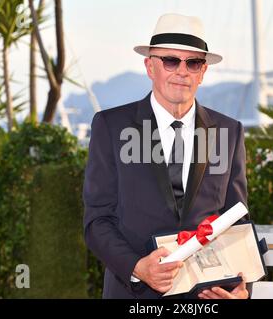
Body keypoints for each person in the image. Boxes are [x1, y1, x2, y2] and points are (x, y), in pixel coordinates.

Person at [83, 13, 249, 299]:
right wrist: (137, 267)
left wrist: (240, 290)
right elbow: (97, 221)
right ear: (150, 66)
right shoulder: (111, 126)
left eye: (193, 62)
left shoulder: (228, 131)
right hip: (134, 296)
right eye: (170, 61)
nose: (182, 71)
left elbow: (236, 220)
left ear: (203, 71)